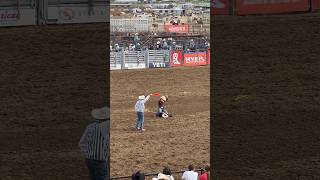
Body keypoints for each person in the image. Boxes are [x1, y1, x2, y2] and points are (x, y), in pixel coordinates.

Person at [79, 107, 110, 180]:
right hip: (100, 161)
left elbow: (81, 143)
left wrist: (88, 153)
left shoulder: (90, 126)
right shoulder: (106, 126)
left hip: (89, 159)